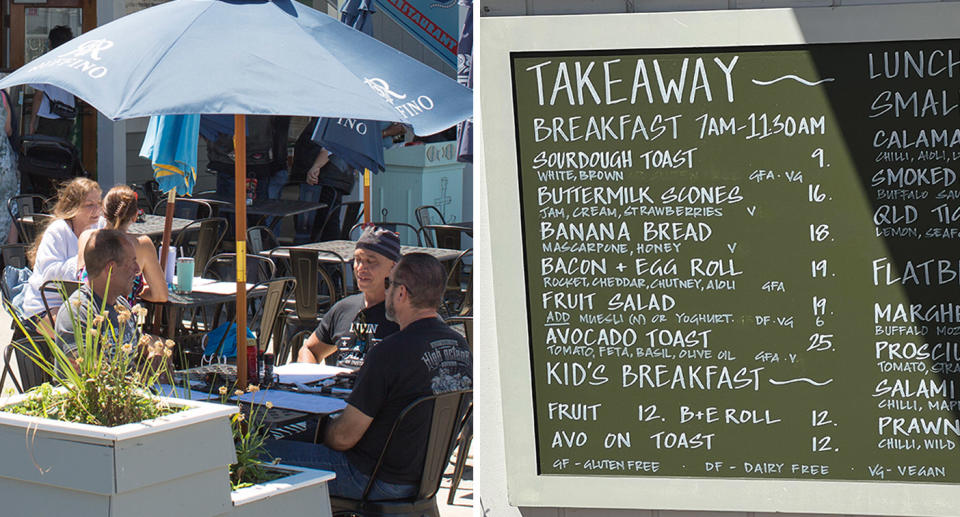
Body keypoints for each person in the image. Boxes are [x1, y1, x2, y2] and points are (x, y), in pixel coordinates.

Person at [265, 253, 473, 499]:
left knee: (256, 453)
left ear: (401, 293)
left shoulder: (390, 352)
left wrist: (317, 431)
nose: (386, 292)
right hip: (425, 479)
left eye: (390, 284)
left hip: (371, 477)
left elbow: (343, 438)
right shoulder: (460, 346)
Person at [297, 225, 400, 368]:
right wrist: (309, 378)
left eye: (371, 261)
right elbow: (309, 349)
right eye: (357, 259)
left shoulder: (404, 315)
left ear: (392, 268)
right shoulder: (344, 308)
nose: (361, 267)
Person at [19, 178, 102, 335]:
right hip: (47, 304)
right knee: (81, 335)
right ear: (74, 207)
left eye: (99, 203)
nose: (97, 209)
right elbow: (49, 273)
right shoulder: (58, 231)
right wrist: (80, 258)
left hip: (83, 303)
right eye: (90, 205)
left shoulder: (99, 226)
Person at [55, 229, 143, 361]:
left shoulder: (121, 305)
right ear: (111, 269)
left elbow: (138, 355)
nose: (138, 270)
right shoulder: (77, 314)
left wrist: (155, 355)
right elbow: (87, 374)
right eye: (132, 262)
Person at [76, 186, 168, 304]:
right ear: (135, 216)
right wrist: (137, 290)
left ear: (104, 213)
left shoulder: (87, 238)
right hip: (120, 320)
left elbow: (80, 283)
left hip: (85, 315)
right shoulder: (142, 244)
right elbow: (160, 295)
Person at [292, 117, 356, 243]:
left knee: (311, 227)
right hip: (336, 176)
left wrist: (316, 167)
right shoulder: (347, 117)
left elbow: (329, 146)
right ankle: (329, 260)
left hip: (325, 178)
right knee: (327, 224)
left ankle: (320, 260)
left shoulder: (332, 114)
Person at [29, 26, 76, 140]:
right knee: (64, 152)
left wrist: (32, 122)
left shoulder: (45, 63)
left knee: (46, 153)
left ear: (50, 42)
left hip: (48, 117)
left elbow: (38, 96)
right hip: (68, 117)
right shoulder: (74, 63)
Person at [0, 87, 19, 244]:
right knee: (10, 205)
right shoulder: (2, 95)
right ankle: (12, 263)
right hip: (4, 162)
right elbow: (8, 129)